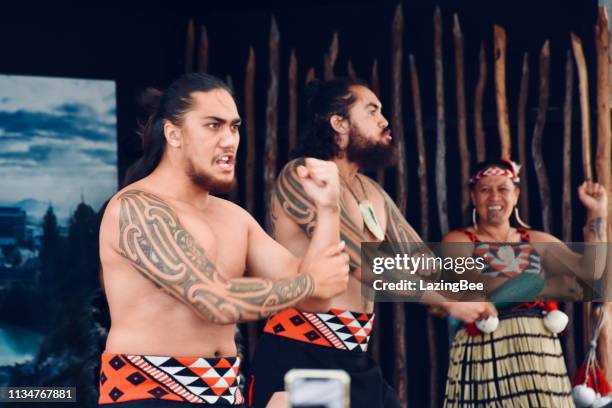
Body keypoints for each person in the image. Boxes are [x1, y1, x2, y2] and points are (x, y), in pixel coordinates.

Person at [97, 73, 351, 407]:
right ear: (173, 134)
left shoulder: (233, 217)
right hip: (149, 395)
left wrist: (329, 207)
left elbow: (316, 300)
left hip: (223, 393)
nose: (229, 140)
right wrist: (310, 283)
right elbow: (215, 301)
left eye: (234, 127)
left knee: (322, 400)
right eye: (213, 126)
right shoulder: (137, 208)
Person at [247, 78, 496, 408]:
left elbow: (421, 258)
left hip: (353, 355)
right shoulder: (303, 176)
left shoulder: (372, 191)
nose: (385, 120)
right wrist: (448, 303)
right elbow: (362, 264)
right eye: (372, 111)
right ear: (339, 123)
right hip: (302, 351)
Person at [442, 158, 608, 407]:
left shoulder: (536, 240)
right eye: (485, 189)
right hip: (486, 350)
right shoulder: (458, 240)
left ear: (516, 195)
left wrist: (597, 211)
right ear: (473, 197)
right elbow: (473, 284)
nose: (494, 197)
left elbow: (591, 271)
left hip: (538, 350)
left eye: (503, 189)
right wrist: (541, 283)